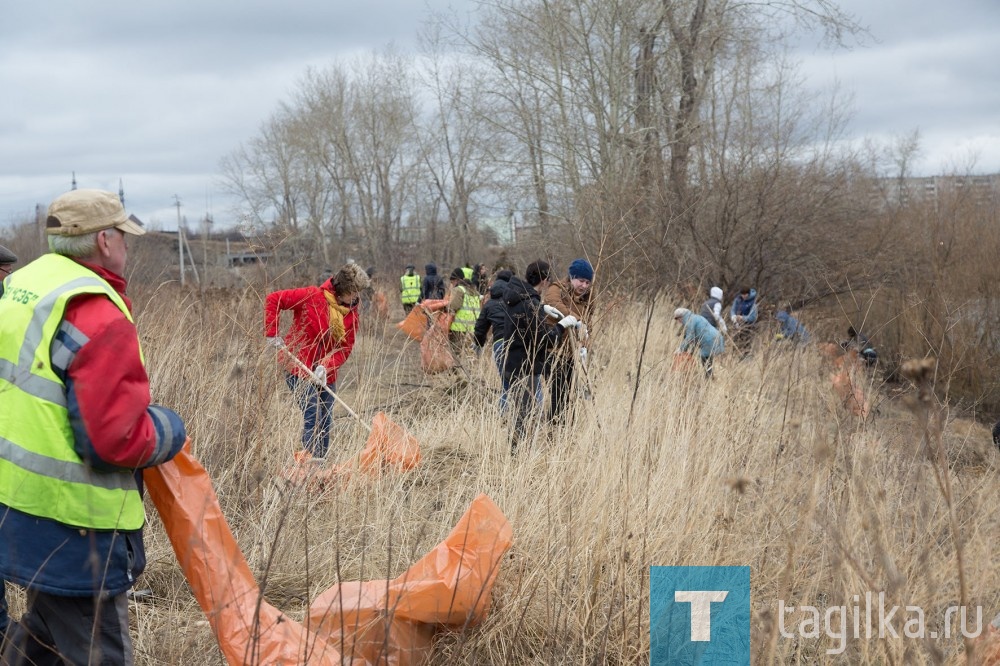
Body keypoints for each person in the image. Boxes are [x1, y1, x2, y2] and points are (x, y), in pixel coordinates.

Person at [0, 188, 187, 665]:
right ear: (104, 241)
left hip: (20, 511)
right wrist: (168, 429)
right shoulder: (97, 313)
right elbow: (114, 441)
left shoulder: (24, 285)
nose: (126, 245)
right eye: (123, 235)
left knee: (41, 639)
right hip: (77, 529)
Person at [264, 263, 370, 459]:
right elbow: (274, 300)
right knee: (313, 415)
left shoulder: (352, 313)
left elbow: (344, 348)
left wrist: (325, 366)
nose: (356, 296)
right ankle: (308, 466)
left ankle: (319, 464)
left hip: (325, 373)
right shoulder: (311, 296)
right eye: (353, 291)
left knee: (325, 421)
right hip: (297, 366)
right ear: (342, 288)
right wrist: (272, 332)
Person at [502, 260, 580, 451]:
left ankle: (519, 452)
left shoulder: (518, 297)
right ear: (544, 281)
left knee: (521, 413)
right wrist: (563, 325)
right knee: (525, 414)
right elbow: (546, 340)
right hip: (525, 367)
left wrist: (541, 308)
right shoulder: (529, 303)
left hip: (513, 364)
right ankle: (519, 456)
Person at [542, 258, 593, 421]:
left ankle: (564, 425)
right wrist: (577, 320)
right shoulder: (556, 289)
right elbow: (554, 304)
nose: (584, 286)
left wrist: (585, 343)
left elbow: (588, 321)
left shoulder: (588, 297)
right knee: (559, 391)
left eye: (587, 282)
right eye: (581, 281)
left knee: (568, 393)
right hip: (552, 351)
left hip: (571, 352)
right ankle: (554, 426)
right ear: (571, 277)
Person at [474, 269, 513, 410]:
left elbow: (480, 328)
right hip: (518, 344)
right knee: (520, 382)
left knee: (506, 383)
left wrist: (479, 345)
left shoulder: (489, 304)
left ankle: (504, 414)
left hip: (499, 344)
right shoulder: (514, 300)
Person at [674, 307, 724, 376]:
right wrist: (688, 350)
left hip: (709, 340)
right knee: (707, 359)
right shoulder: (696, 317)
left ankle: (708, 378)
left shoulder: (689, 321)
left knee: (704, 358)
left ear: (681, 317)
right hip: (717, 336)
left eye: (678, 319)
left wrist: (681, 349)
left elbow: (690, 337)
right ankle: (709, 377)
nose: (679, 321)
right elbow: (694, 338)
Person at [447, 267, 482, 354]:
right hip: (472, 329)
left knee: (456, 353)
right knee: (469, 353)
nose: (452, 284)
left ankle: (456, 368)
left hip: (459, 329)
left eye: (452, 282)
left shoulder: (459, 290)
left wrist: (446, 306)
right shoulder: (475, 293)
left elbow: (454, 306)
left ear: (457, 280)